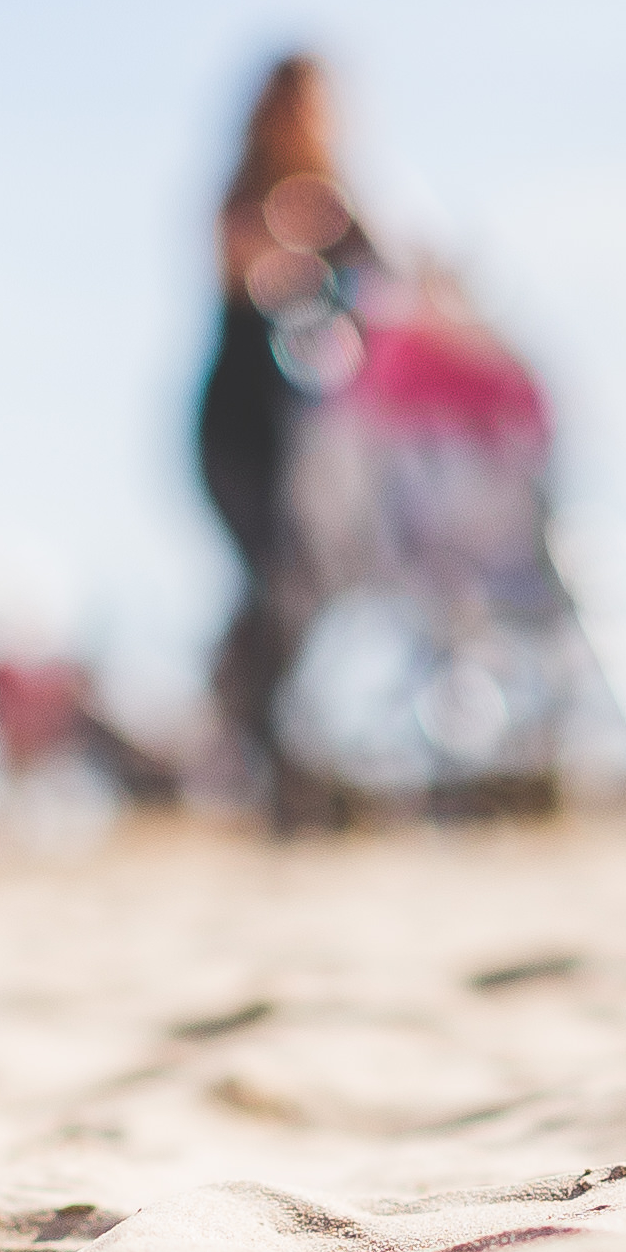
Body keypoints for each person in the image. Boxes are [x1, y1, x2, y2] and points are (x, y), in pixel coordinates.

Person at [196, 52, 376, 829]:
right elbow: (245, 271)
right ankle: (262, 755)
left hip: (314, 426)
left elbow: (395, 282)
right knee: (272, 577)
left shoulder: (351, 201)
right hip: (240, 415)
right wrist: (296, 236)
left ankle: (272, 740)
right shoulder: (242, 199)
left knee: (317, 580)